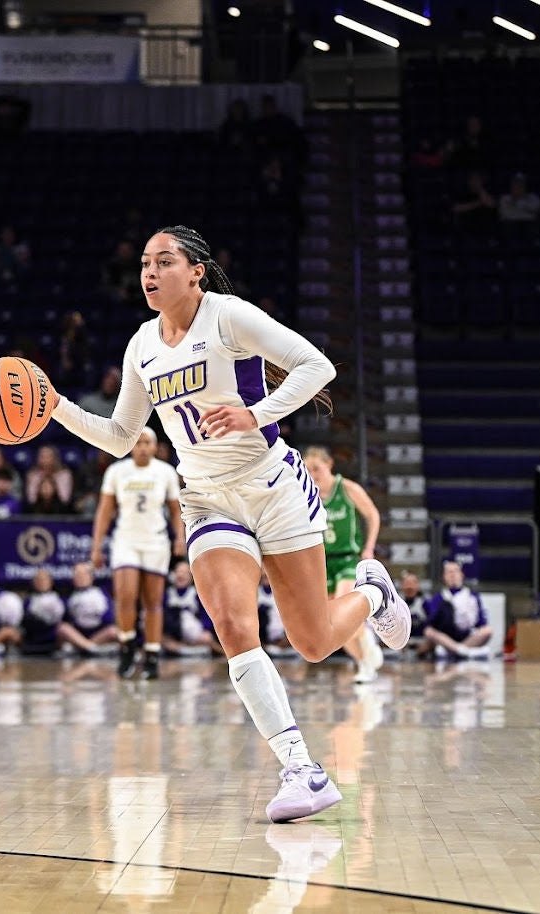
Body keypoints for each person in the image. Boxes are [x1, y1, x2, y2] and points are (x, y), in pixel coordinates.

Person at [47, 224, 412, 823]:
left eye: (164, 261)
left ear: (195, 271)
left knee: (314, 643)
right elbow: (118, 437)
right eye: (144, 262)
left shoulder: (227, 316)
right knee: (234, 624)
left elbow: (315, 367)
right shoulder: (141, 345)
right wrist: (56, 407)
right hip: (207, 499)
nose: (150, 272)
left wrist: (255, 413)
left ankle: (372, 592)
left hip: (272, 486)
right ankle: (301, 768)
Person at [91, 428, 185, 680]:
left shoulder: (165, 472)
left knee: (153, 601)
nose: (142, 447)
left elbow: (176, 510)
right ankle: (127, 645)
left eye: (147, 443)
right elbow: (104, 511)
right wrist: (96, 546)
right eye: (138, 442)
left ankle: (152, 654)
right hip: (126, 541)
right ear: (131, 446)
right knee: (126, 596)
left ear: (155, 447)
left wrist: (180, 537)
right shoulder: (117, 471)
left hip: (156, 542)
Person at [303, 446, 386, 685]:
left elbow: (372, 514)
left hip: (349, 558)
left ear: (329, 464)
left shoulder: (347, 488)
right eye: (308, 469)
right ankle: (364, 661)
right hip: (323, 562)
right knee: (331, 623)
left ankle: (368, 645)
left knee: (341, 605)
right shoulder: (306, 494)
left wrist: (369, 546)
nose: (313, 474)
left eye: (316, 468)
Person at [418, 560, 493, 660]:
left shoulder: (472, 596)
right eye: (449, 572)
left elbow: (481, 622)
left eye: (456, 571)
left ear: (462, 574)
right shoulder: (438, 597)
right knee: (429, 632)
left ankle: (454, 651)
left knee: (487, 631)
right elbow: (431, 623)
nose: (453, 575)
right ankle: (462, 651)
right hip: (446, 637)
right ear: (444, 576)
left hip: (467, 636)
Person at [162, 558, 222, 656]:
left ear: (191, 577)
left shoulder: (195, 594)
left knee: (207, 638)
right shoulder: (168, 594)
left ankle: (221, 653)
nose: (181, 575)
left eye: (185, 573)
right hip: (174, 634)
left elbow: (206, 613)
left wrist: (206, 629)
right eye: (178, 572)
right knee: (162, 640)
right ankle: (187, 650)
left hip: (195, 634)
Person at [60, 562, 117, 655]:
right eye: (77, 575)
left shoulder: (101, 593)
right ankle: (91, 648)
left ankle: (84, 648)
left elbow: (109, 618)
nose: (80, 578)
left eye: (83, 574)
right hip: (78, 635)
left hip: (99, 634)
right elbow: (67, 619)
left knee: (114, 631)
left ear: (91, 576)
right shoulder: (69, 596)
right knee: (62, 628)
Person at [20, 568, 66, 656]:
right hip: (33, 639)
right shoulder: (28, 601)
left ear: (51, 582)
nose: (42, 582)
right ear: (33, 583)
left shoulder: (60, 600)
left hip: (55, 638)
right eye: (38, 580)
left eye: (44, 579)